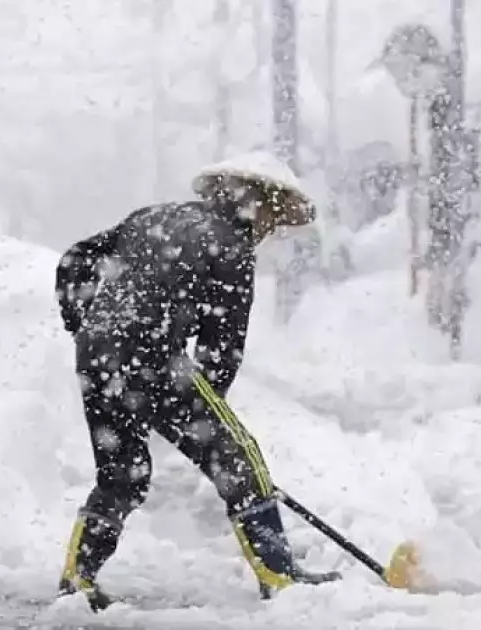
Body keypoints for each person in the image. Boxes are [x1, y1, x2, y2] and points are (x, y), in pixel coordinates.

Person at [53, 152, 341, 611]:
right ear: (259, 205)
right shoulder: (231, 247)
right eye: (272, 217)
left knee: (122, 474)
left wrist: (85, 326)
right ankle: (279, 575)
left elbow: (75, 259)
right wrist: (207, 422)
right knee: (241, 458)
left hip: (96, 358)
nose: (270, 230)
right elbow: (221, 351)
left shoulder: (153, 217)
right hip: (154, 359)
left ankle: (78, 575)